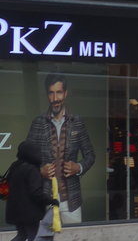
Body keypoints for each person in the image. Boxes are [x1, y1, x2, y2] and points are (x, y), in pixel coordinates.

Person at [27, 74, 95, 225]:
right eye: (51, 93)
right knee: (44, 239)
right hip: (44, 199)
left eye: (58, 92)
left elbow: (90, 155)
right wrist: (40, 171)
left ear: (65, 93)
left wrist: (79, 167)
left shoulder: (77, 122)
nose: (55, 98)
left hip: (71, 201)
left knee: (75, 238)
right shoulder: (38, 123)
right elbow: (25, 160)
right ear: (47, 95)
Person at [0, 140, 59, 241]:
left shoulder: (15, 166)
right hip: (29, 211)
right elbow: (36, 192)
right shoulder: (32, 170)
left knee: (22, 234)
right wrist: (51, 200)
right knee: (33, 237)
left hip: (15, 209)